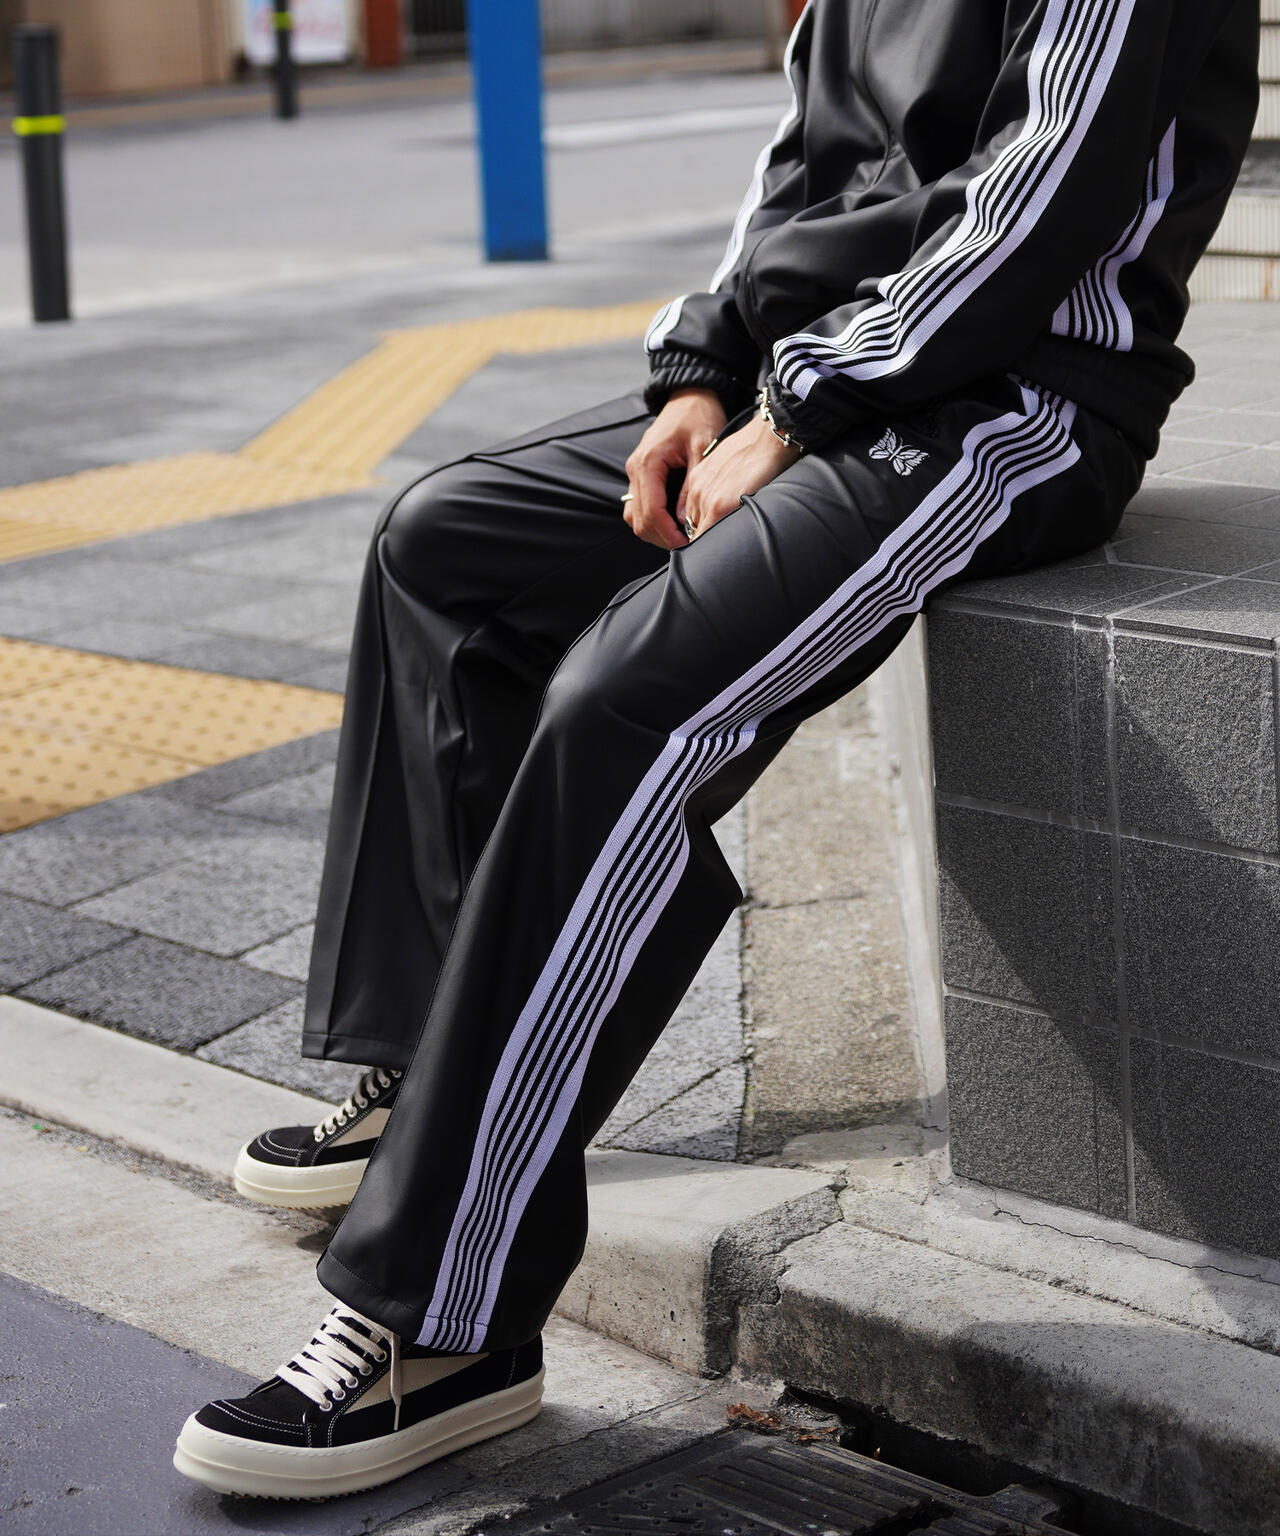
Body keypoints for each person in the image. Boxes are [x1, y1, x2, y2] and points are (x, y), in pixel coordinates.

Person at [173, 0, 1257, 1501]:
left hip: (1013, 402)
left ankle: (443, 1323)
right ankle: (430, 1087)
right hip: (822, 383)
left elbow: (1043, 195)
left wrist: (802, 405)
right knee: (444, 547)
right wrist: (704, 370)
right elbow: (803, 160)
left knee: (626, 702)